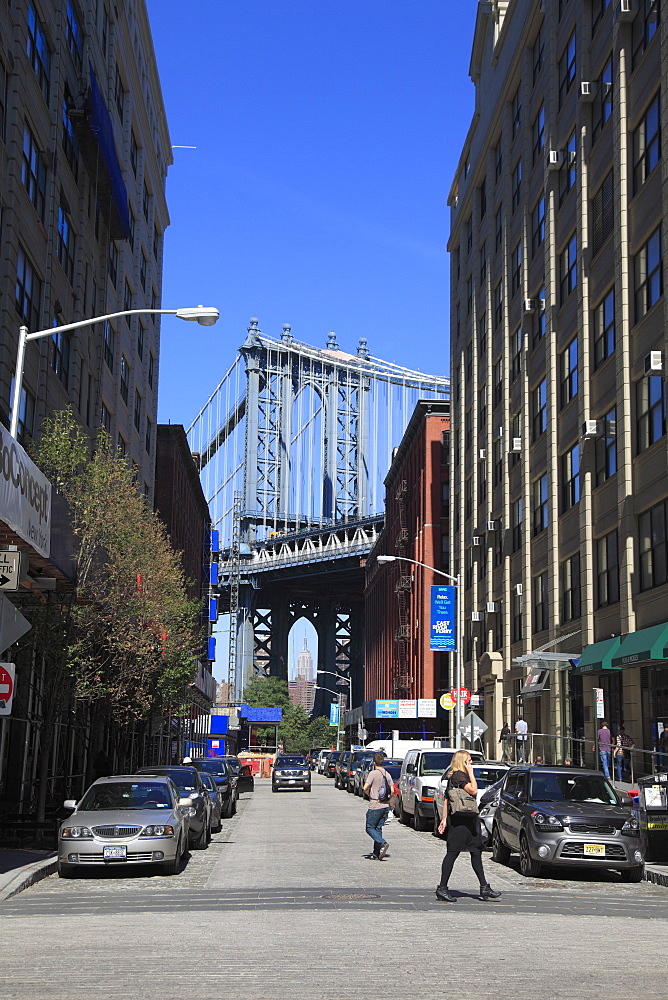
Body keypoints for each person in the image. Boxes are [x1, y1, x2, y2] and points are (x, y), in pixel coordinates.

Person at [435, 750, 501, 903]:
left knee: (476, 852)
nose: (471, 763)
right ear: (462, 761)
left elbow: (446, 799)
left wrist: (444, 819)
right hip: (460, 821)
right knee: (453, 852)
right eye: (469, 761)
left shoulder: (455, 776)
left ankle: (484, 886)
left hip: (468, 819)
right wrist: (471, 773)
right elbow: (473, 790)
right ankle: (442, 888)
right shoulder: (459, 775)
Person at [362, 752, 393, 860]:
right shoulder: (387, 774)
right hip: (385, 806)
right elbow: (392, 790)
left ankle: (382, 843)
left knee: (369, 827)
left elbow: (365, 787)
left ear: (374, 763)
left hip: (375, 805)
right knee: (378, 828)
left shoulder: (373, 773)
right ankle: (376, 854)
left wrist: (370, 794)